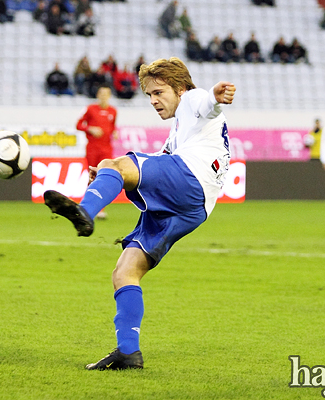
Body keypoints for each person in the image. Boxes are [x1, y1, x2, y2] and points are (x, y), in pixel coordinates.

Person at [43, 57, 236, 370]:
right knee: (125, 271)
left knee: (116, 163)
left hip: (190, 180)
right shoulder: (180, 133)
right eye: (149, 95)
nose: (153, 101)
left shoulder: (192, 99)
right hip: (195, 208)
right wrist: (111, 175)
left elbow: (207, 103)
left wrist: (215, 94)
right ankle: (128, 352)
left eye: (158, 92)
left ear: (180, 88)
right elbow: (153, 165)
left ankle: (86, 210)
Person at [75, 84, 118, 219]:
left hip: (106, 149)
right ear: (98, 95)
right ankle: (87, 206)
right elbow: (79, 125)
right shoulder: (90, 109)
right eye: (102, 94)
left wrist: (114, 132)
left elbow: (112, 127)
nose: (104, 97)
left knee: (104, 177)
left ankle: (100, 208)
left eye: (107, 94)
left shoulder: (113, 111)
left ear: (109, 96)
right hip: (93, 148)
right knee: (92, 177)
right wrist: (90, 129)